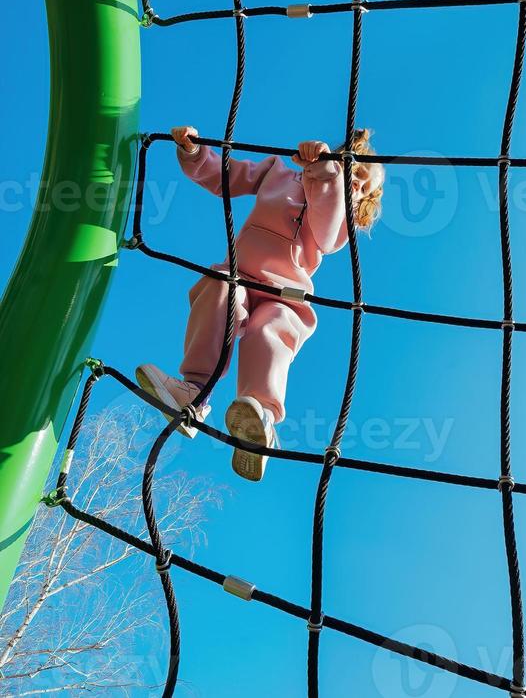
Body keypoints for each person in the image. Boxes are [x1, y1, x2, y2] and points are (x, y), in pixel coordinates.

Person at [136, 125, 384, 481]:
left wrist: (325, 174)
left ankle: (260, 420)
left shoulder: (340, 216)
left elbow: (326, 234)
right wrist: (194, 153)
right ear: (343, 157)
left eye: (366, 189)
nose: (358, 186)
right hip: (239, 274)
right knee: (218, 293)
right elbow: (227, 177)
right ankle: (193, 393)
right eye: (358, 174)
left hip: (286, 292)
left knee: (270, 331)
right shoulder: (277, 172)